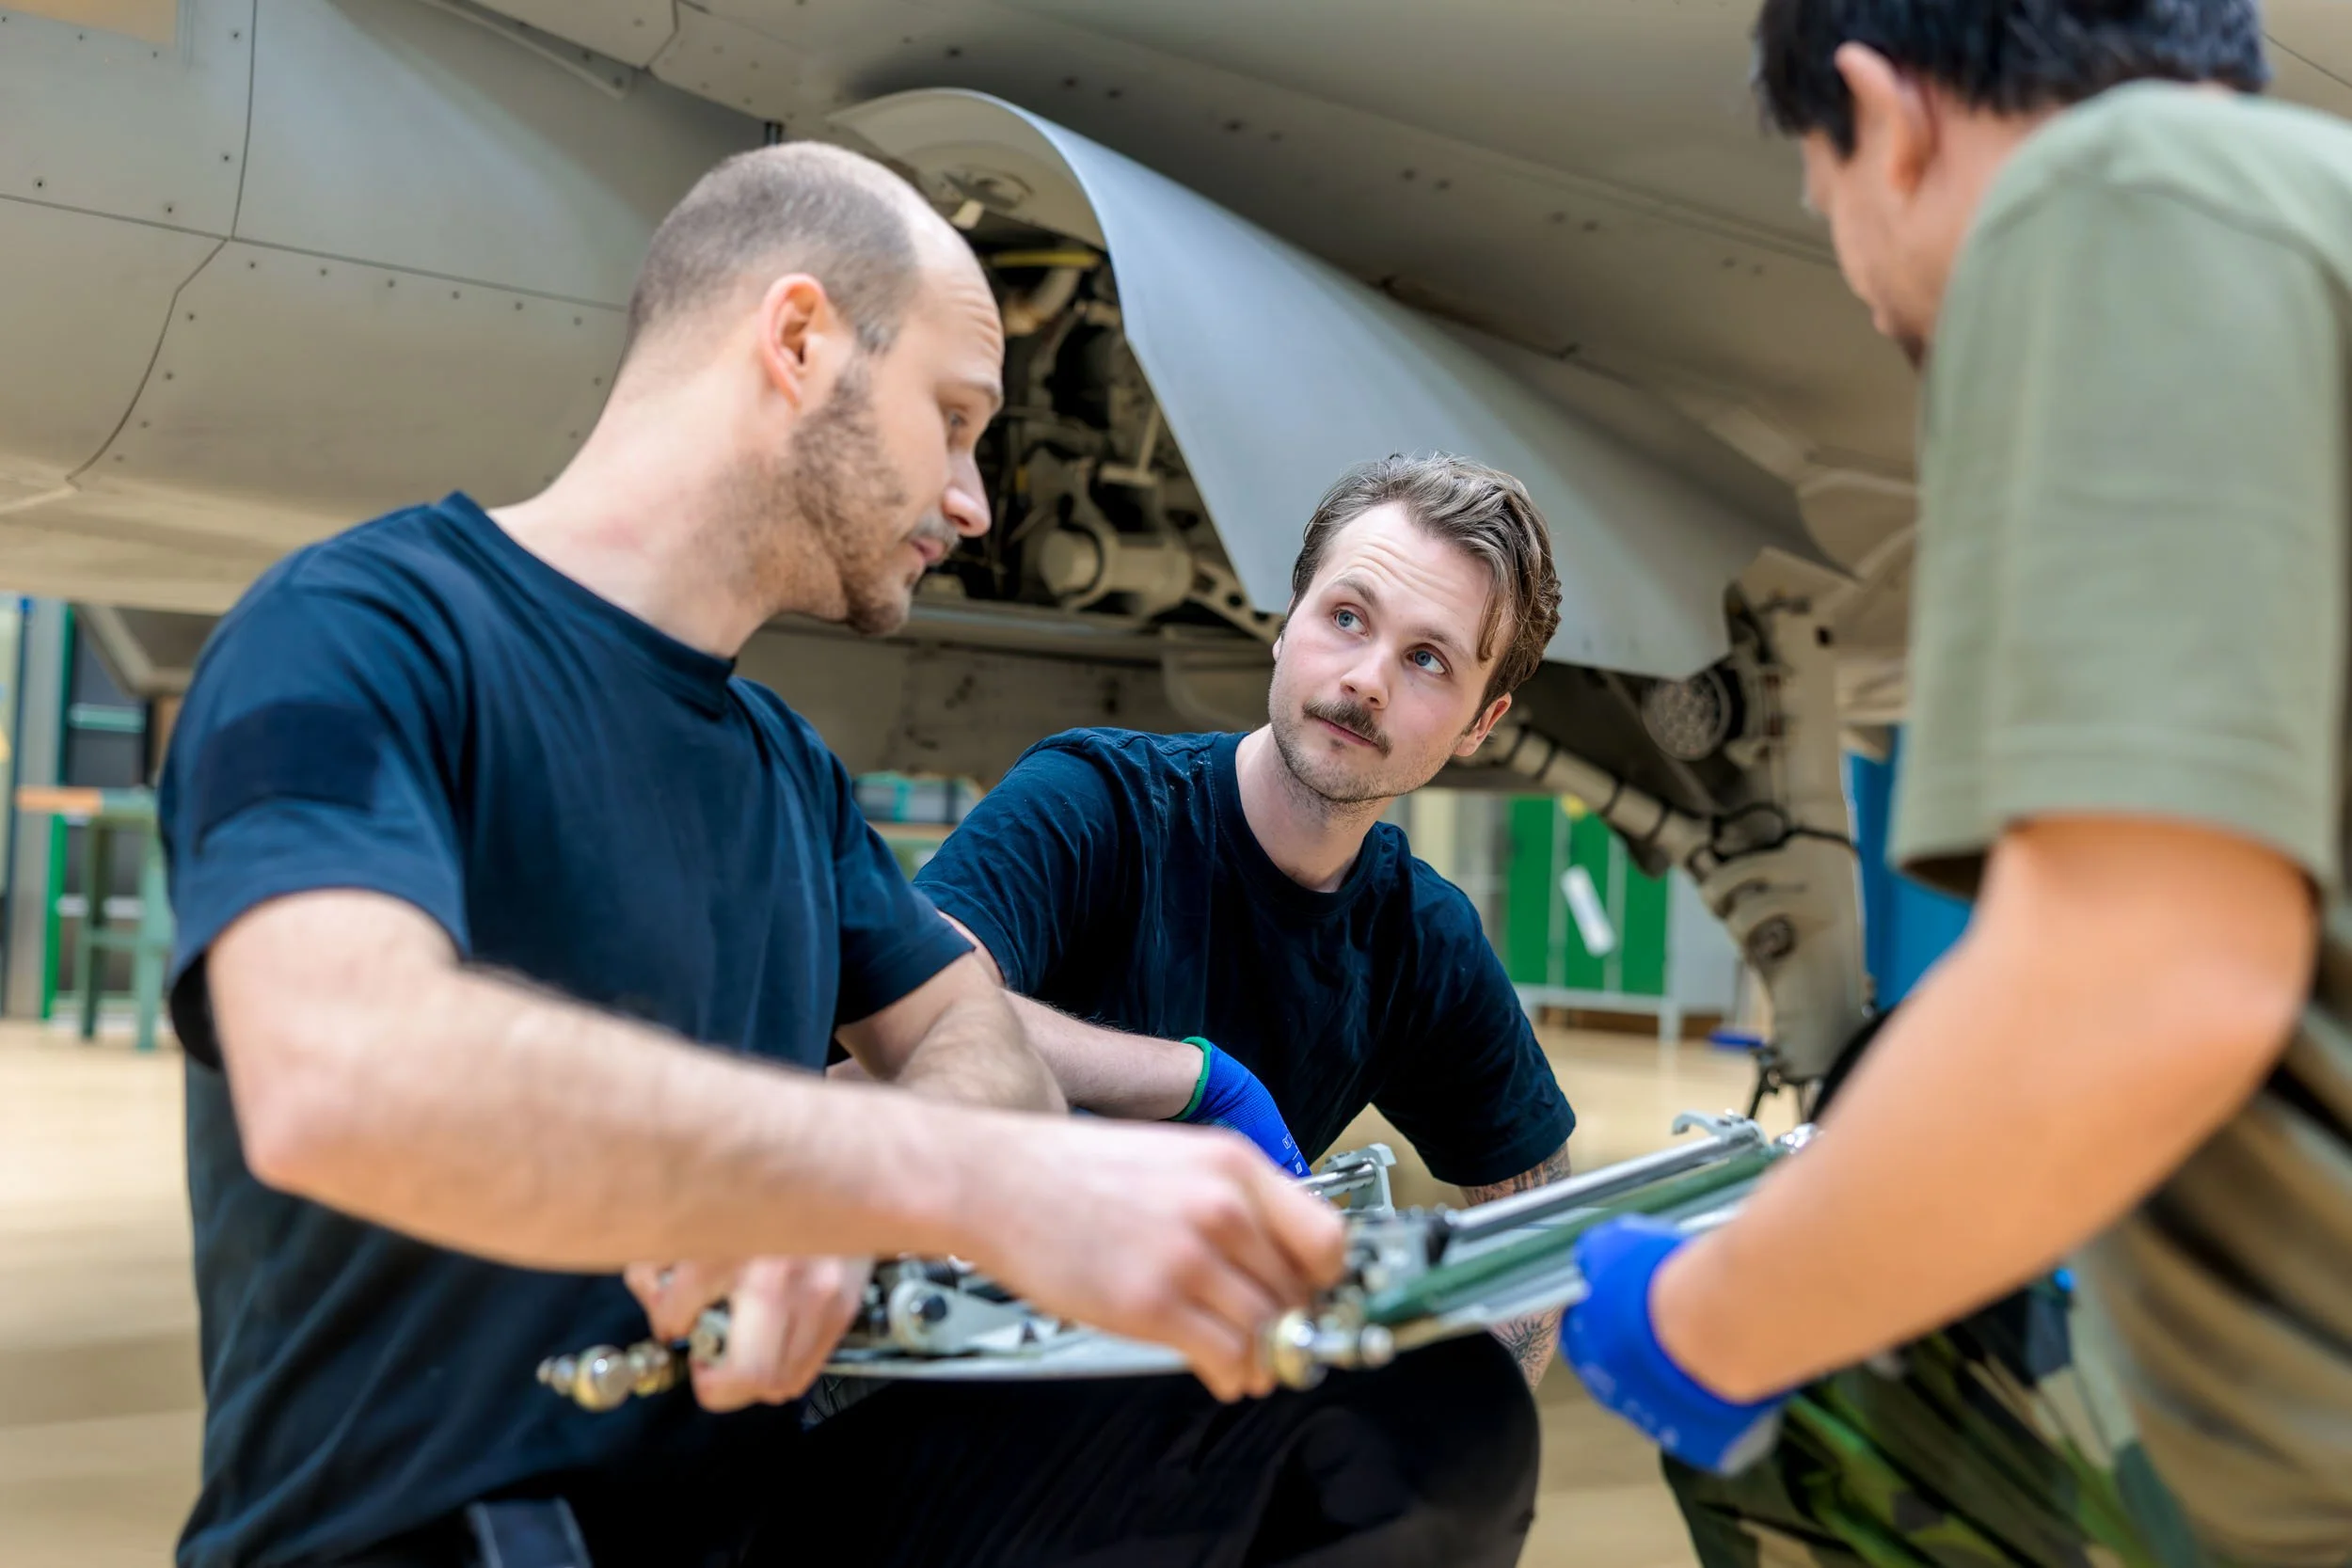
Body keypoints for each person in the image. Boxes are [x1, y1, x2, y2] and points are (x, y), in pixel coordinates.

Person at [158, 141, 1349, 1568]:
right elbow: (337, 1066)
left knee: (1381, 1426)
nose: (974, 503)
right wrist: (931, 1175)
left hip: (743, 1516)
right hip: (422, 1530)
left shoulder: (783, 767)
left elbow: (971, 1025)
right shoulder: (365, 629)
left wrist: (862, 1178)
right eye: (955, 419)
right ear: (796, 340)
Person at [1559, 2, 2352, 1562]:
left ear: (1884, 115)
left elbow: (2144, 982)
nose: (1859, 286)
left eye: (1825, 202)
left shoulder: (2111, 199)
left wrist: (1707, 1317)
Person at [909, 453, 1581, 1391]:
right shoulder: (1094, 802)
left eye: (1427, 658)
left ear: (1481, 722)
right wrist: (1192, 1078)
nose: (1367, 679)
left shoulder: (1421, 937)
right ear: (1285, 622)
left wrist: (1469, 1414)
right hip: (938, 1355)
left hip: (1172, 1391)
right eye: (1346, 617)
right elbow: (898, 1010)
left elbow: (1534, 1218)